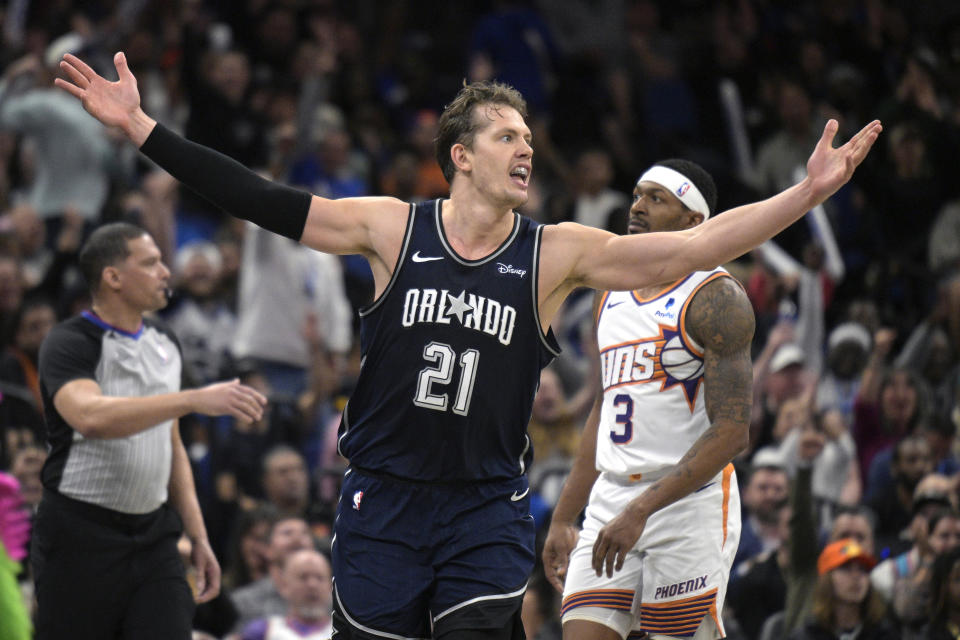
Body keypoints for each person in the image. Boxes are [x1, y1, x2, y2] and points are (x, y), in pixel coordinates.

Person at [55, 51, 881, 639]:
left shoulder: (555, 251)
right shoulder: (388, 227)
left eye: (529, 136)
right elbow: (260, 198)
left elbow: (695, 248)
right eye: (506, 136)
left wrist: (805, 193)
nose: (527, 147)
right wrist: (143, 131)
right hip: (383, 499)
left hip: (484, 505)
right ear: (461, 156)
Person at [541, 159, 754, 640]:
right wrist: (563, 516)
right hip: (612, 497)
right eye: (638, 194)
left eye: (657, 198)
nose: (637, 206)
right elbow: (604, 408)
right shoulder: (609, 292)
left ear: (693, 222)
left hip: (687, 503)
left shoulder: (717, 297)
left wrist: (643, 510)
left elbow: (732, 432)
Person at [31, 222, 268, 640]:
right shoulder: (69, 341)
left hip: (154, 535)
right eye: (151, 263)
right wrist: (191, 399)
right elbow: (90, 417)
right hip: (79, 534)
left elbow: (171, 443)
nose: (166, 271)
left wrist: (198, 535)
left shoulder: (164, 341)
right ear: (114, 277)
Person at [235, 548, 333, 640]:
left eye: (320, 578)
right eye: (303, 577)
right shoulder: (262, 631)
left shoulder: (344, 633)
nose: (312, 585)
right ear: (285, 585)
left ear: (330, 586)